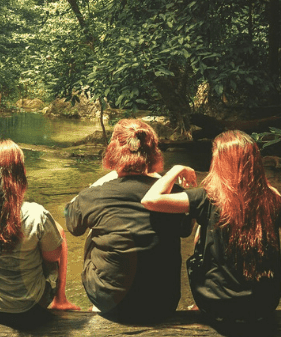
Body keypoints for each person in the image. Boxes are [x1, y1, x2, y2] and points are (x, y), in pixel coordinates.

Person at [141, 130, 281, 323]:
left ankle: (200, 305)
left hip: (217, 305)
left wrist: (176, 169)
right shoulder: (270, 199)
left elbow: (150, 200)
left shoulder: (207, 198)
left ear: (219, 162)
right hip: (264, 305)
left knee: (203, 227)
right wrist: (277, 196)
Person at [0, 78, 79, 326]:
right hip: (28, 308)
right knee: (57, 233)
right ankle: (60, 299)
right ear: (19, 174)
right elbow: (53, 257)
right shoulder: (34, 214)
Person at [65, 118, 191, 322]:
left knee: (94, 227)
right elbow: (185, 229)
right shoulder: (172, 193)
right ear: (154, 153)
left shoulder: (94, 195)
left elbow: (71, 223)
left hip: (112, 304)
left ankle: (99, 302)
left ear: (113, 152)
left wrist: (101, 181)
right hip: (163, 303)